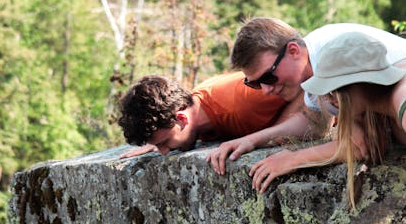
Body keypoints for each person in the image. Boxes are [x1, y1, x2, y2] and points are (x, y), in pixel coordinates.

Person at [229, 17, 406, 192]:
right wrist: (253, 139)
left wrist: (294, 159)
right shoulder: (319, 66)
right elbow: (314, 122)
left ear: (293, 51)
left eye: (267, 77)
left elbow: (362, 144)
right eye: (255, 84)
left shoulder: (338, 51)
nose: (266, 90)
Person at [301, 31, 406, 224]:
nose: (329, 99)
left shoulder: (403, 99)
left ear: (359, 83)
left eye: (335, 89)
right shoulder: (384, 101)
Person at [117, 70, 319, 159]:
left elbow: (308, 81)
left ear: (181, 118)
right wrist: (156, 139)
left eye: (165, 142)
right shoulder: (193, 110)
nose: (163, 152)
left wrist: (275, 132)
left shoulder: (243, 101)